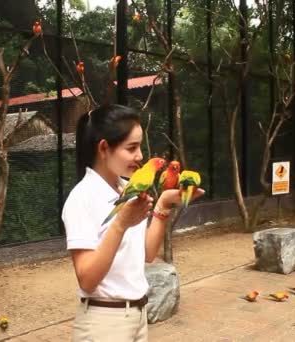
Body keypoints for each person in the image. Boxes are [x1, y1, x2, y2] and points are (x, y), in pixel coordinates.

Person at [62, 104, 203, 341]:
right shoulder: (82, 199)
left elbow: (147, 254)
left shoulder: (128, 187)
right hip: (105, 323)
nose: (140, 156)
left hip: (138, 316)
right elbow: (87, 279)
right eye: (132, 148)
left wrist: (163, 206)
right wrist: (120, 224)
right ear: (104, 148)